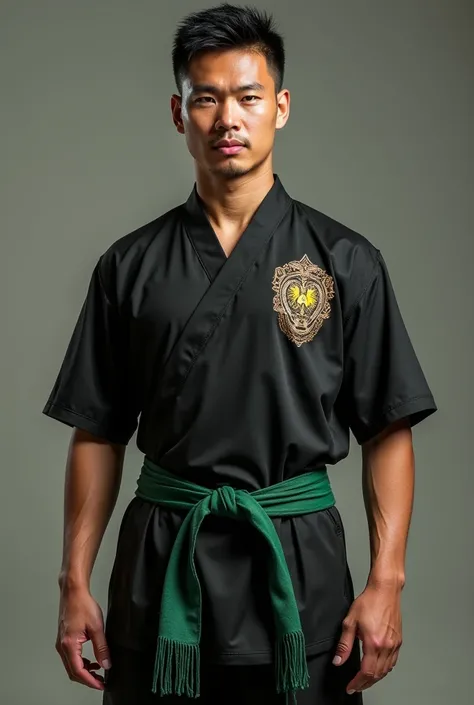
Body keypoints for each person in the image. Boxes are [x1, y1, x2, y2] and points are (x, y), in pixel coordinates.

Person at [43, 4, 437, 704]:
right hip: (164, 568)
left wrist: (387, 580)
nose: (229, 117)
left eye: (249, 97)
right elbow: (97, 431)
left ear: (280, 106)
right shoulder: (129, 266)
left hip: (299, 572)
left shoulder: (344, 261)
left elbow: (388, 427)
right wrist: (73, 582)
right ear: (178, 112)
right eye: (207, 98)